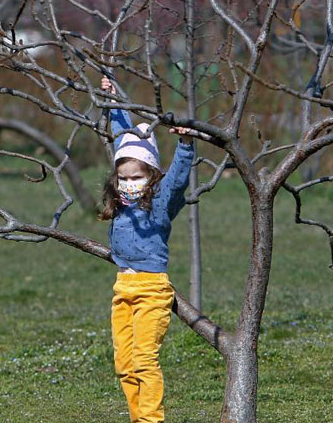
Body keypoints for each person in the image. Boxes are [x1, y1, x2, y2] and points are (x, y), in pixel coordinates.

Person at [99, 76, 194, 423]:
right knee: (124, 365)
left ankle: (152, 420)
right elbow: (123, 137)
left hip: (152, 290)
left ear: (152, 176)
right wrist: (111, 101)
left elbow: (178, 179)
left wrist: (184, 145)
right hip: (122, 289)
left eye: (136, 177)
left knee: (143, 360)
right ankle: (137, 418)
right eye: (122, 178)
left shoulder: (158, 202)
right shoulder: (121, 203)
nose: (128, 184)